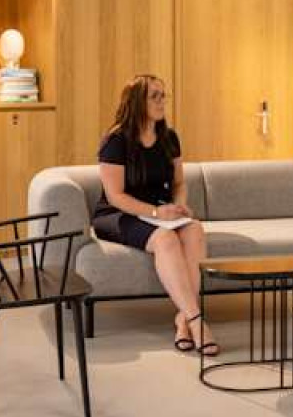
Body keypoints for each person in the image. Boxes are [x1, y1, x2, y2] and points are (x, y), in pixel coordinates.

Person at [92, 75, 217, 355]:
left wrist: (179, 206)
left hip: (158, 212)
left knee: (194, 229)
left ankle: (183, 319)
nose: (162, 101)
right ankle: (197, 322)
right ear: (138, 101)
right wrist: (156, 212)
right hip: (118, 214)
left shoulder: (169, 138)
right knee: (165, 239)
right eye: (155, 96)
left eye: (163, 95)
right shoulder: (116, 141)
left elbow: (179, 183)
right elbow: (115, 196)